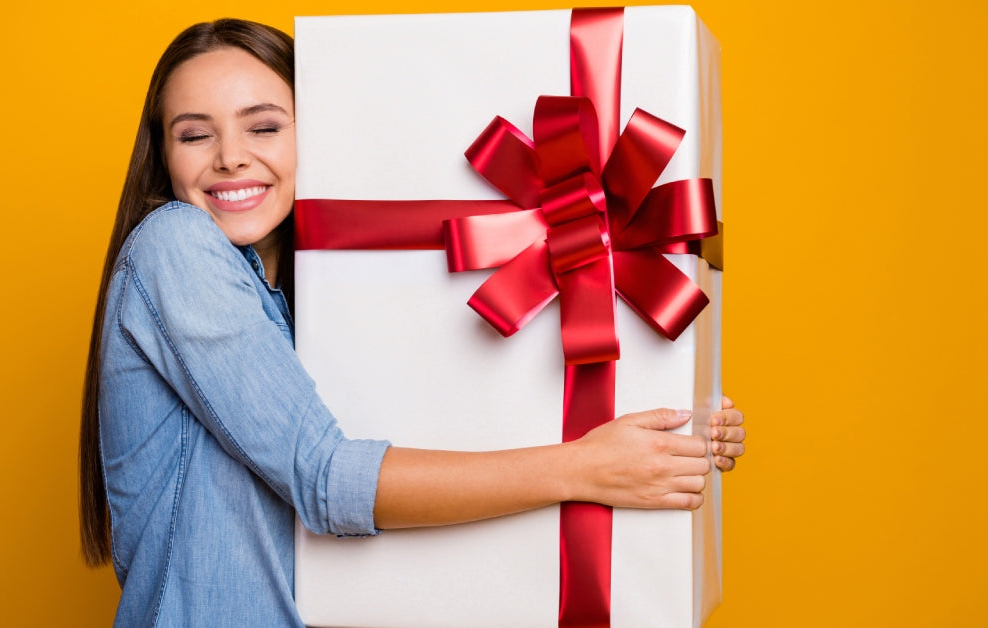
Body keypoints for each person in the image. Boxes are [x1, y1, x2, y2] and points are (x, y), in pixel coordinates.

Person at [79, 18, 746, 627]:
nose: (231, 157)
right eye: (195, 134)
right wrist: (585, 469)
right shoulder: (176, 246)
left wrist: (678, 432)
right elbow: (327, 478)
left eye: (264, 126)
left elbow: (450, 427)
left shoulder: (325, 306)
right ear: (163, 156)